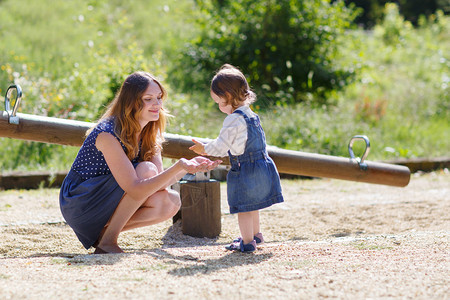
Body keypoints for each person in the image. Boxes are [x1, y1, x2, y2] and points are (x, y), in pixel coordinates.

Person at [60, 71, 221, 254]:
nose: (157, 104)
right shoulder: (107, 133)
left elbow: (158, 185)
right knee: (146, 170)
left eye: (159, 98)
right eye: (148, 99)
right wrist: (178, 166)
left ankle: (103, 235)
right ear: (131, 102)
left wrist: (187, 168)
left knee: (170, 201)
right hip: (81, 200)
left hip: (106, 197)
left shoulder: (149, 132)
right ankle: (108, 242)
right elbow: (137, 187)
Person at [189, 64, 284, 253]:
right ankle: (256, 234)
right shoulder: (251, 115)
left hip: (245, 169)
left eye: (219, 102)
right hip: (261, 164)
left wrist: (204, 149)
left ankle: (247, 242)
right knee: (254, 204)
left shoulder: (232, 120)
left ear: (229, 97)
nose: (218, 106)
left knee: (243, 208)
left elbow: (221, 146)